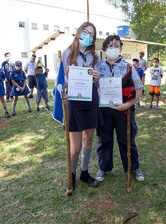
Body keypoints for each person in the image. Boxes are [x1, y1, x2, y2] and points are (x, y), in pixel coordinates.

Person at [96, 35, 144, 182]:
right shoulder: (98, 67)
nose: (113, 48)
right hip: (104, 110)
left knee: (127, 139)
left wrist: (128, 104)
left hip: (124, 109)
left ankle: (133, 166)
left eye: (116, 45)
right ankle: (104, 167)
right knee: (104, 140)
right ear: (104, 49)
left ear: (121, 48)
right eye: (110, 46)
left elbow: (139, 89)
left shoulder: (129, 67)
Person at [61, 22, 101, 191]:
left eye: (91, 34)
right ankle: (72, 174)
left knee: (88, 138)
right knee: (75, 145)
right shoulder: (67, 53)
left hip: (91, 100)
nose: (88, 36)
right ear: (78, 33)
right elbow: (65, 78)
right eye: (85, 32)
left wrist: (97, 77)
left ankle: (84, 172)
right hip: (75, 101)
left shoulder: (96, 57)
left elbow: (97, 80)